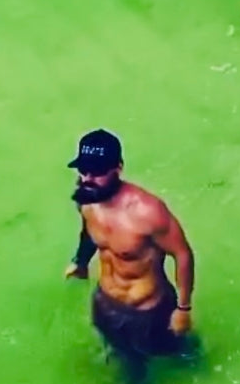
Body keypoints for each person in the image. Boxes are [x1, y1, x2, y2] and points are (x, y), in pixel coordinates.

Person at [64, 129, 196, 368]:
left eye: (98, 172)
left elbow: (182, 254)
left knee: (179, 357)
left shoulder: (148, 212)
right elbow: (89, 232)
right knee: (125, 363)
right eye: (83, 170)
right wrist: (81, 261)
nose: (88, 178)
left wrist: (183, 309)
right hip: (106, 304)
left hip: (148, 311)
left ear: (118, 168)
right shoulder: (87, 199)